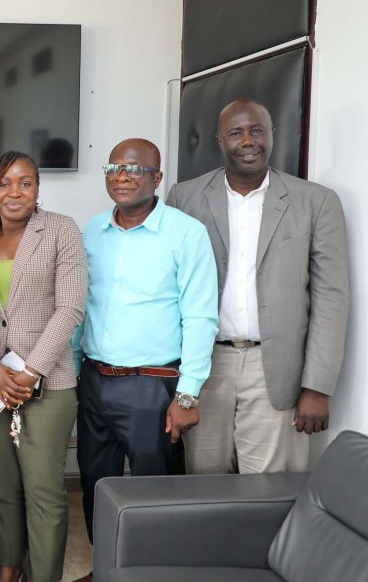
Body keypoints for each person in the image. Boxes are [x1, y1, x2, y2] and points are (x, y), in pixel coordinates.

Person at [166, 99, 349, 473]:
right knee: (203, 483)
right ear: (220, 140)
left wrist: (317, 386)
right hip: (205, 366)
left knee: (269, 489)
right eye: (236, 133)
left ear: (272, 134)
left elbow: (331, 298)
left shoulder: (316, 202)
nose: (248, 141)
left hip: (277, 369)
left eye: (257, 131)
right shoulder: (184, 198)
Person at [73, 139, 218, 582]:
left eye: (135, 169)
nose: (122, 176)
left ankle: (154, 573)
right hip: (94, 379)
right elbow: (81, 306)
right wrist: (74, 369)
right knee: (95, 486)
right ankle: (106, 569)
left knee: (154, 492)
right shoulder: (92, 231)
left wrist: (187, 395)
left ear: (157, 178)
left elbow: (200, 317)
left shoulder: (186, 233)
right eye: (114, 167)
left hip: (152, 386)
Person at [0, 151, 87, 582]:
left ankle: (43, 575)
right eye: (4, 183)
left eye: (25, 182)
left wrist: (30, 371)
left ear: (38, 188)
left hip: (48, 384)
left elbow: (70, 308)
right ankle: (7, 568)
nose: (14, 192)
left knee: (44, 491)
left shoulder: (61, 230)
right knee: (0, 487)